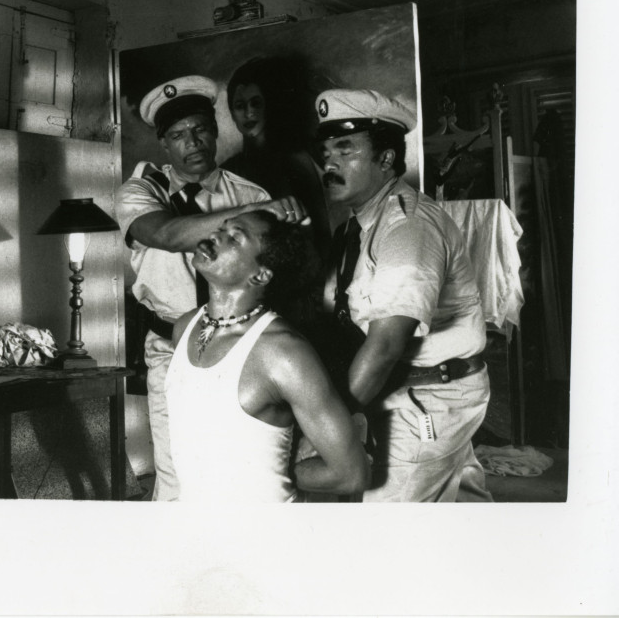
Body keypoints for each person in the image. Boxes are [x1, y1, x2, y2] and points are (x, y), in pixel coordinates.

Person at [117, 75, 307, 501]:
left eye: (201, 129)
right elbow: (165, 234)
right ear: (164, 144)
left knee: (242, 467)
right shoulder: (143, 190)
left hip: (242, 347)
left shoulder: (248, 191)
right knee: (176, 476)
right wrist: (257, 213)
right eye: (179, 135)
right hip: (171, 348)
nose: (193, 142)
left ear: (217, 130)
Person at [315, 88, 492, 502]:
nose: (328, 162)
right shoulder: (357, 226)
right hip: (412, 388)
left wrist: (326, 424)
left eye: (345, 149)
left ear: (386, 159)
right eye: (325, 151)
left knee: (385, 533)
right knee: (460, 512)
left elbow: (385, 346)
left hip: (425, 400)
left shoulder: (407, 227)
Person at [166, 210, 369, 501]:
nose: (215, 236)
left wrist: (267, 475)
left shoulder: (283, 352)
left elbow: (352, 475)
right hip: (198, 531)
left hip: (267, 536)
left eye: (234, 238)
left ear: (260, 275)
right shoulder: (184, 328)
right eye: (221, 228)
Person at [222, 57, 331, 257]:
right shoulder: (228, 169)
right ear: (231, 113)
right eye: (240, 105)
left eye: (256, 103)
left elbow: (319, 229)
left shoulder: (294, 157)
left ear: (268, 105)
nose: (249, 112)